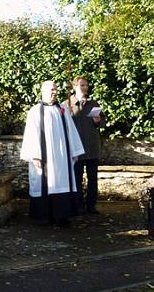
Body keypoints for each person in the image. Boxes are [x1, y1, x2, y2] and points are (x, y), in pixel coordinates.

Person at [20, 80, 84, 227]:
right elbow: (31, 134)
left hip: (62, 158)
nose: (55, 92)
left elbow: (71, 131)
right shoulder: (35, 111)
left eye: (56, 89)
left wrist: (75, 151)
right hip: (45, 157)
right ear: (43, 91)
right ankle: (46, 216)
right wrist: (35, 155)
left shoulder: (62, 109)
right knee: (47, 183)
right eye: (52, 90)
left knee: (63, 183)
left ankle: (63, 216)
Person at [64, 76, 105, 214]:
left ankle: (91, 206)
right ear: (74, 87)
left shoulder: (93, 103)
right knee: (77, 178)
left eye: (86, 85)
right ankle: (78, 206)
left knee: (93, 179)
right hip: (76, 148)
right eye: (82, 85)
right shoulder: (67, 104)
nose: (85, 87)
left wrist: (98, 120)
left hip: (92, 147)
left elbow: (101, 123)